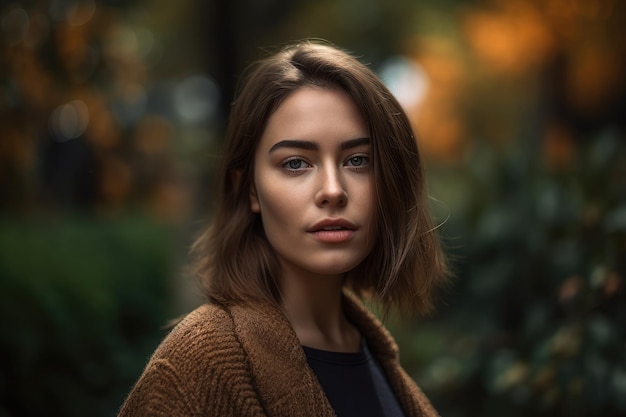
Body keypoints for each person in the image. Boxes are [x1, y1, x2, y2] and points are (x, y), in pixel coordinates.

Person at [117, 40, 449, 417]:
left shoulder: (376, 357)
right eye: (295, 164)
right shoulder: (198, 365)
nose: (332, 191)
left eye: (357, 160)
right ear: (250, 190)